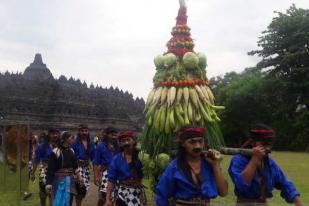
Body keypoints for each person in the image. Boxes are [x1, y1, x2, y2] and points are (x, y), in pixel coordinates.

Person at [228, 124, 303, 206]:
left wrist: (298, 202)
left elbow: (285, 183)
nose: (267, 148)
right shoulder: (238, 160)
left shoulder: (270, 163)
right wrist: (254, 161)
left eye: (269, 144)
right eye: (263, 143)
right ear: (253, 142)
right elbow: (241, 185)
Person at [156, 126, 228, 206]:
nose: (197, 146)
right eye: (192, 142)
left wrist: (215, 165)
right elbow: (162, 195)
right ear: (183, 143)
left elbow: (223, 192)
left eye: (200, 141)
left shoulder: (209, 164)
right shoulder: (174, 167)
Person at [105, 131, 146, 206]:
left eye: (128, 140)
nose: (126, 143)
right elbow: (111, 180)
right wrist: (107, 199)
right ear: (120, 144)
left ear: (133, 141)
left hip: (136, 192)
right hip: (121, 192)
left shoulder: (141, 157)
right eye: (123, 141)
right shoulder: (116, 159)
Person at [45, 131, 81, 206]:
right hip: (58, 181)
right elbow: (50, 169)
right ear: (65, 139)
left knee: (68, 200)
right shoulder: (56, 152)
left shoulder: (71, 151)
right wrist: (48, 183)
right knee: (57, 200)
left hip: (70, 181)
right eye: (71, 138)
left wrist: (79, 178)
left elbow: (75, 166)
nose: (72, 140)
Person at [31, 128, 60, 206]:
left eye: (56, 133)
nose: (54, 135)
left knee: (53, 192)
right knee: (43, 192)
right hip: (44, 169)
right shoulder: (41, 146)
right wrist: (32, 173)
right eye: (52, 133)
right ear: (48, 134)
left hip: (55, 170)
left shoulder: (59, 146)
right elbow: (36, 160)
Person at [93, 127, 119, 206]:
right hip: (105, 173)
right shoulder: (100, 146)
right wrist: (96, 176)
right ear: (107, 135)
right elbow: (95, 162)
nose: (114, 137)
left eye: (115, 135)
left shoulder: (119, 147)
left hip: (117, 174)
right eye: (112, 135)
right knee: (103, 196)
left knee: (115, 195)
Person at [71, 124, 95, 206]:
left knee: (83, 189)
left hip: (86, 169)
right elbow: (71, 157)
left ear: (88, 132)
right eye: (82, 131)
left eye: (86, 131)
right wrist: (73, 172)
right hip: (77, 168)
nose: (84, 133)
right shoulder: (74, 143)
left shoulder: (91, 143)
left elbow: (93, 157)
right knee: (79, 189)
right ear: (79, 132)